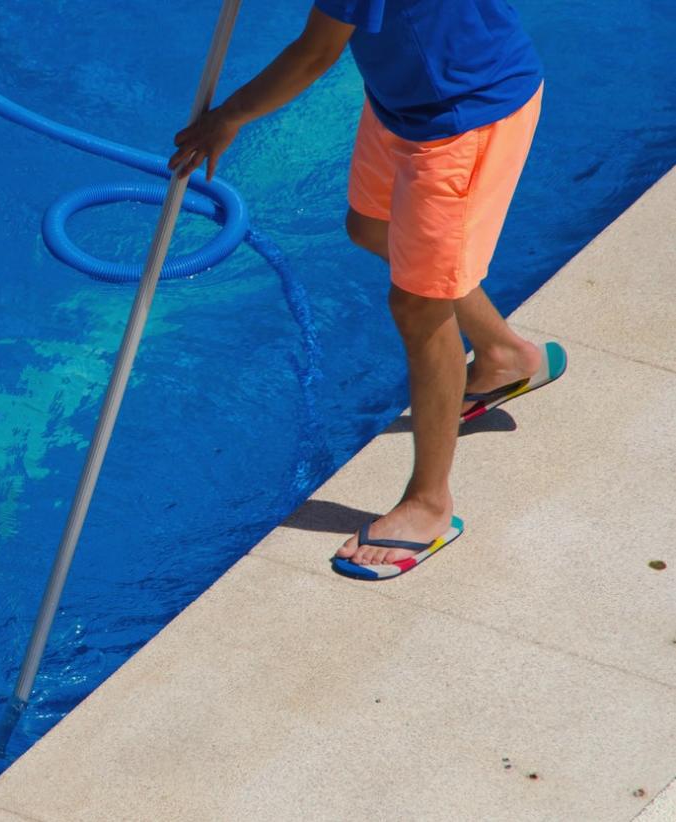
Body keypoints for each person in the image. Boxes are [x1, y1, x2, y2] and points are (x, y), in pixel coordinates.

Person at [169, 0, 566, 579]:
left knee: (418, 303)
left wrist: (227, 117)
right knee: (372, 228)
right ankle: (505, 356)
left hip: (463, 120)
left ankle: (430, 505)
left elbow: (315, 53)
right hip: (408, 105)